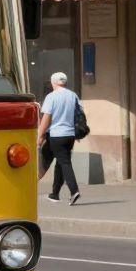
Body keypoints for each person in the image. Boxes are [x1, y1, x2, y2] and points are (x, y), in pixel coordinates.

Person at [37, 71, 82, 205]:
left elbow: (46, 117)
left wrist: (39, 135)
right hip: (70, 135)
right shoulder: (73, 95)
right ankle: (55, 193)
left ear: (53, 83)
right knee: (61, 163)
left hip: (56, 135)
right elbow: (79, 115)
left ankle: (74, 191)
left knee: (63, 163)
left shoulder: (51, 97)